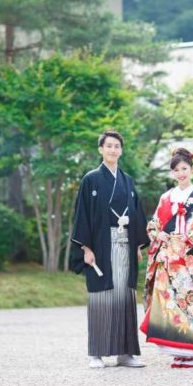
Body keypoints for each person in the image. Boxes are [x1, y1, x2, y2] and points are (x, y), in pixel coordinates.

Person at [71, 129, 149, 369]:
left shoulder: (127, 180)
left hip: (125, 243)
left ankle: (125, 353)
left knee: (124, 296)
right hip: (101, 247)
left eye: (117, 146)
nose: (113, 150)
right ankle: (96, 353)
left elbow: (136, 213)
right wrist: (86, 247)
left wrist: (137, 243)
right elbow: (82, 215)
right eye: (109, 146)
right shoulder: (91, 179)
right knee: (101, 296)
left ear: (121, 150)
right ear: (101, 150)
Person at [141, 147, 193, 368]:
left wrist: (187, 239)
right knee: (172, 302)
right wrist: (160, 235)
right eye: (176, 170)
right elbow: (154, 224)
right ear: (172, 173)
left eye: (184, 168)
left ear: (192, 169)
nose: (181, 173)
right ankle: (179, 348)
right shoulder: (166, 197)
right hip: (169, 258)